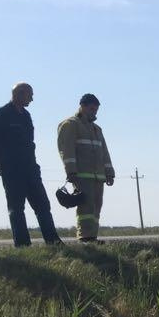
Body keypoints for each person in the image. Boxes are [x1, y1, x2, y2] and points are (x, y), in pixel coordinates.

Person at [0, 82, 62, 247]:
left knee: (43, 205)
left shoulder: (26, 116)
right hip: (11, 170)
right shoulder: (0, 114)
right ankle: (22, 244)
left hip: (30, 168)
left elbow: (30, 142)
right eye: (30, 95)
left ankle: (53, 241)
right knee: (17, 208)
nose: (32, 99)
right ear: (19, 94)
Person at [56, 93, 115, 242]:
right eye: (91, 108)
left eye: (96, 109)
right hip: (81, 175)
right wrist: (71, 171)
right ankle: (85, 238)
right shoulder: (70, 125)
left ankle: (92, 237)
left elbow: (104, 152)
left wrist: (109, 172)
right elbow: (66, 149)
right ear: (82, 106)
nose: (94, 112)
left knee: (96, 207)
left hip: (98, 176)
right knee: (86, 208)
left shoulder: (96, 129)